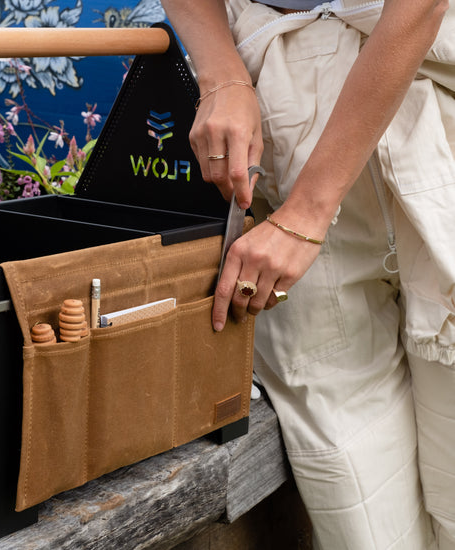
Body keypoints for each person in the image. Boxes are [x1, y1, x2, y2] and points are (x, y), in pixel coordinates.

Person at [161, 0, 455, 548]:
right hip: (281, 102)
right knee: (355, 501)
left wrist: (307, 212)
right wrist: (222, 75)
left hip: (433, 90)